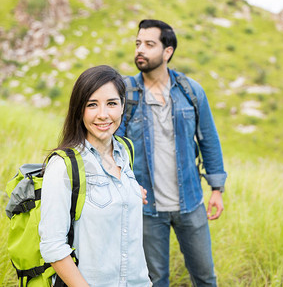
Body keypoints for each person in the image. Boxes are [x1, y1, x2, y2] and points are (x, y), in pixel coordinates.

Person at [117, 19, 227, 286]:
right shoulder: (125, 92)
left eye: (149, 44)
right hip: (147, 208)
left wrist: (216, 189)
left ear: (168, 52)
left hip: (191, 203)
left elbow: (208, 140)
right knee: (156, 280)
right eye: (138, 43)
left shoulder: (190, 91)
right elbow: (114, 148)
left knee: (205, 277)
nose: (140, 50)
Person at [39, 65, 151, 286]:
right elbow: (52, 246)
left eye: (111, 103)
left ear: (122, 107)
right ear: (79, 110)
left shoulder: (125, 151)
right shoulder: (63, 166)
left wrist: (130, 194)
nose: (103, 114)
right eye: (92, 105)